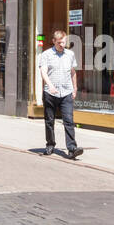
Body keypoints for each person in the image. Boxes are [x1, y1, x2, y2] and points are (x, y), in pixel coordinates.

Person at [37, 29, 82, 158]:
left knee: (69, 120)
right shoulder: (46, 55)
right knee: (49, 121)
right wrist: (50, 85)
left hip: (66, 92)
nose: (62, 45)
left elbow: (73, 72)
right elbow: (43, 72)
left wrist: (75, 88)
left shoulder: (70, 54)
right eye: (59, 43)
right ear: (54, 42)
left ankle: (72, 148)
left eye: (64, 42)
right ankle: (50, 144)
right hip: (50, 93)